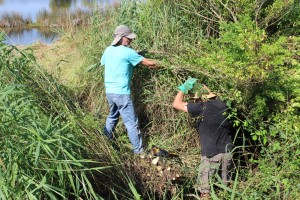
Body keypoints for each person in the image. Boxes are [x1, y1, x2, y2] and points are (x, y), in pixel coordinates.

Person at [172, 78, 233, 198]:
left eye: (194, 100)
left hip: (211, 154)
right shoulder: (224, 105)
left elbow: (176, 104)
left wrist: (183, 88)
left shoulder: (202, 107)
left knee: (205, 191)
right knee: (227, 187)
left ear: (200, 99)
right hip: (228, 152)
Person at [100, 25, 155, 154]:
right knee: (131, 123)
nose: (130, 41)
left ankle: (105, 140)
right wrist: (163, 64)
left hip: (110, 91)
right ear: (121, 38)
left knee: (113, 116)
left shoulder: (107, 50)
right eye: (129, 39)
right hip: (122, 93)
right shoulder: (128, 52)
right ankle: (139, 152)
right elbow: (149, 64)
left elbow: (107, 62)